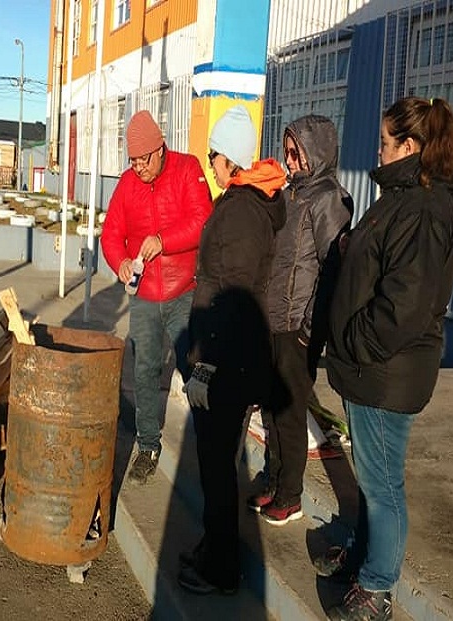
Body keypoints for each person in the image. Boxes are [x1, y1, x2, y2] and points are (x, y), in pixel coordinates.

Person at [320, 97, 453, 621]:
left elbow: (405, 304)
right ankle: (364, 561)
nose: (376, 148)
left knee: (383, 487)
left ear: (410, 146)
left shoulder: (425, 209)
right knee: (372, 477)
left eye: (385, 141)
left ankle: (378, 587)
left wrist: (354, 339)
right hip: (371, 368)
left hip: (385, 370)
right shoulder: (403, 198)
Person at [177, 105, 286, 594]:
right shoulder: (242, 201)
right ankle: (213, 547)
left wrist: (207, 366)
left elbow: (234, 293)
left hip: (229, 363)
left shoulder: (243, 210)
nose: (210, 164)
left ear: (231, 159)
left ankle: (220, 569)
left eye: (214, 155)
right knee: (214, 464)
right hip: (229, 358)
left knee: (218, 468)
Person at [248, 115, 352, 524]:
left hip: (298, 327)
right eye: (287, 151)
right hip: (275, 320)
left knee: (290, 415)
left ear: (316, 154)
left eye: (297, 153)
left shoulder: (329, 198)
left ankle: (290, 495)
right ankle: (274, 480)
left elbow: (333, 270)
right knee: (272, 409)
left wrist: (312, 329)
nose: (290, 161)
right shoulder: (291, 195)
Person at [100, 110, 212, 483]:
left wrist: (163, 242)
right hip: (144, 295)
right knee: (145, 370)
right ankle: (149, 445)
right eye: (131, 161)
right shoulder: (127, 184)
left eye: (143, 160)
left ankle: (208, 446)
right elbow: (111, 234)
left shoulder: (186, 169)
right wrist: (119, 263)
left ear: (160, 148)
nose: (138, 168)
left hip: (183, 290)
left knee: (191, 368)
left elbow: (202, 220)